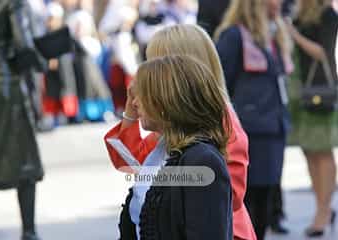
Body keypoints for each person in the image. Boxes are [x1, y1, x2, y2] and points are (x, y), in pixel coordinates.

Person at [105, 24, 256, 240]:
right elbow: (129, 163)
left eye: (157, 65)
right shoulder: (172, 126)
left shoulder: (220, 124)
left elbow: (223, 196)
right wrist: (131, 114)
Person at [125, 54, 233, 239]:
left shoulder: (201, 160)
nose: (134, 103)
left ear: (165, 100)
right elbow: (122, 157)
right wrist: (128, 117)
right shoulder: (161, 149)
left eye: (142, 95)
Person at [214, 0, 293, 239]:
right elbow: (219, 83)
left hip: (274, 128)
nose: (279, 3)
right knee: (246, 203)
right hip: (249, 131)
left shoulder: (274, 34)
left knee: (265, 200)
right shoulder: (234, 36)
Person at [0, 1, 45, 240]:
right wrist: (42, 58)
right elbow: (23, 44)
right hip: (6, 86)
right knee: (25, 160)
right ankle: (29, 231)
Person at [285, 0, 338, 237]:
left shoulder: (328, 14)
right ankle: (321, 207)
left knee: (323, 151)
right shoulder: (298, 11)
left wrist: (294, 35)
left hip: (320, 90)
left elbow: (323, 53)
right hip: (299, 93)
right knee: (309, 150)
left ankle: (324, 211)